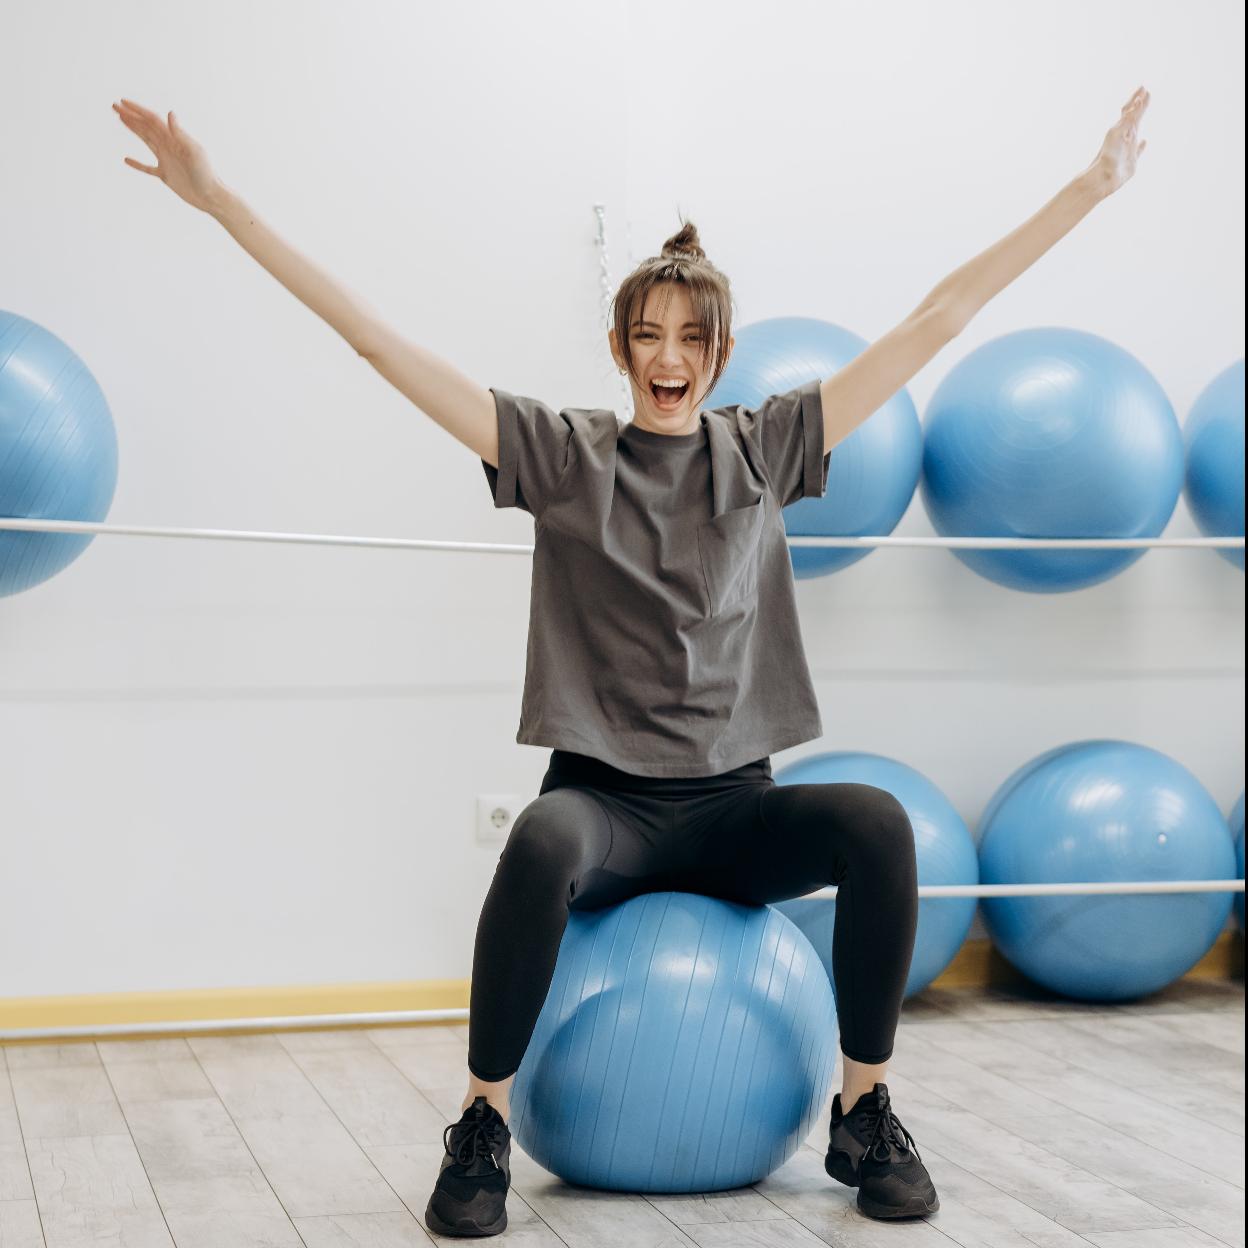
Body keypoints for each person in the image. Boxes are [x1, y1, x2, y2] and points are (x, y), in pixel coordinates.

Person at [112, 86, 1149, 1237]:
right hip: (606, 808)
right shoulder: (564, 457)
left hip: (732, 808)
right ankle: (482, 1124)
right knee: (538, 837)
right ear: (620, 348)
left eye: (692, 339)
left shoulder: (765, 449)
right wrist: (220, 202)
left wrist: (1088, 188)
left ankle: (862, 1108)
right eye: (648, 335)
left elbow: (936, 321)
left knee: (876, 823)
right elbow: (376, 342)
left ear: (720, 355)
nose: (670, 356)